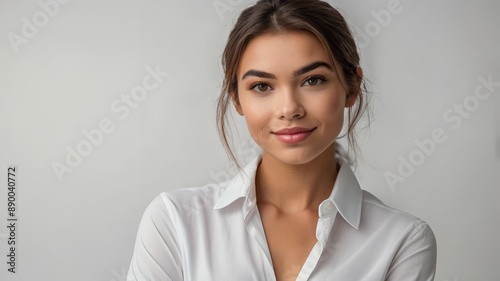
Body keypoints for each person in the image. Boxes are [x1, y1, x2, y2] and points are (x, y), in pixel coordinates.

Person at [126, 0, 437, 280]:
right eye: (262, 86)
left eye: (313, 80)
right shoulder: (175, 222)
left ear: (351, 87)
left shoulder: (402, 241)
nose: (289, 109)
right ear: (236, 98)